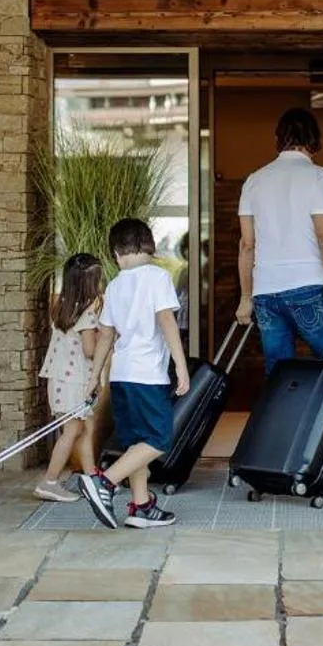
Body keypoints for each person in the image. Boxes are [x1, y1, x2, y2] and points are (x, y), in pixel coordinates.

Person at [76, 217, 187, 530]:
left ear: (116, 253)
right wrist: (179, 363)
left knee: (137, 441)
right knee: (159, 437)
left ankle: (141, 506)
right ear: (149, 247)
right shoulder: (158, 277)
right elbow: (166, 320)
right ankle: (105, 483)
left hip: (122, 374)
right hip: (147, 374)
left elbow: (107, 336)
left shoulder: (115, 285)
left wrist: (94, 377)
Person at [235, 107, 323, 373]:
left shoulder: (254, 181)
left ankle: (282, 416)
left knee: (278, 375)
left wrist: (246, 297)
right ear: (316, 140)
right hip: (309, 286)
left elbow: (247, 244)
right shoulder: (319, 177)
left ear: (277, 138)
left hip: (265, 291)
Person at [34, 252, 106, 503]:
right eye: (97, 281)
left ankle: (92, 479)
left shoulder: (63, 307)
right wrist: (107, 340)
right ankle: (49, 481)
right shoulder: (86, 314)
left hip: (60, 380)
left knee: (82, 429)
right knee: (73, 430)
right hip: (74, 381)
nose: (100, 286)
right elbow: (89, 350)